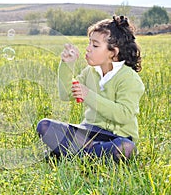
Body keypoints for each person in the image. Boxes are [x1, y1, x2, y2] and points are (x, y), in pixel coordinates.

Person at [37, 16, 145, 163]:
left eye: (95, 45)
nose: (88, 48)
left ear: (113, 52)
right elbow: (66, 94)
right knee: (44, 126)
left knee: (125, 147)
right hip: (89, 133)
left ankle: (71, 154)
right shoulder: (90, 72)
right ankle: (90, 154)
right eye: (89, 43)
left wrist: (89, 95)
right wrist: (67, 65)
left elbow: (124, 115)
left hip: (117, 137)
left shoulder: (129, 78)